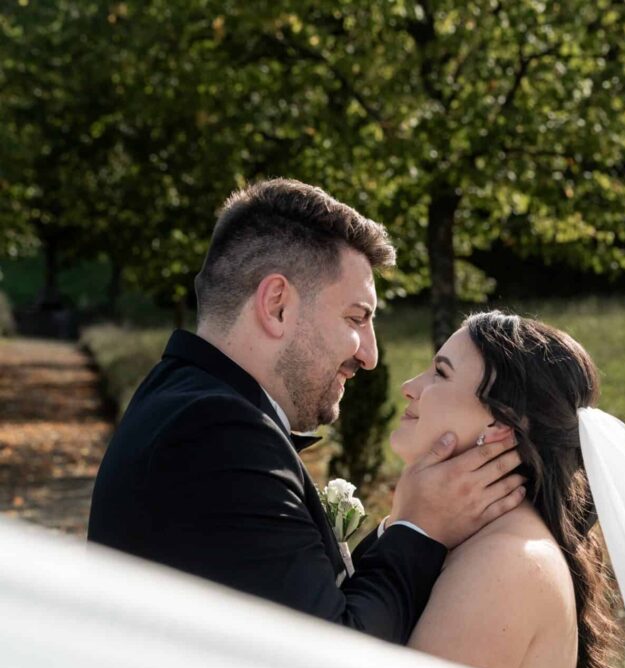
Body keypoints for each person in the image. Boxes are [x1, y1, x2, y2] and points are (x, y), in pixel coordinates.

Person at [87, 180, 525, 643]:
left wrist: (404, 521)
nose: (371, 356)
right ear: (277, 305)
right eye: (356, 318)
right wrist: (420, 528)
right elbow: (335, 657)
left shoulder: (181, 397)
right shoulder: (218, 434)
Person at [391, 310, 619, 668]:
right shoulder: (466, 532)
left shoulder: (509, 561)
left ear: (500, 425)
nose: (410, 386)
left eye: (440, 374)